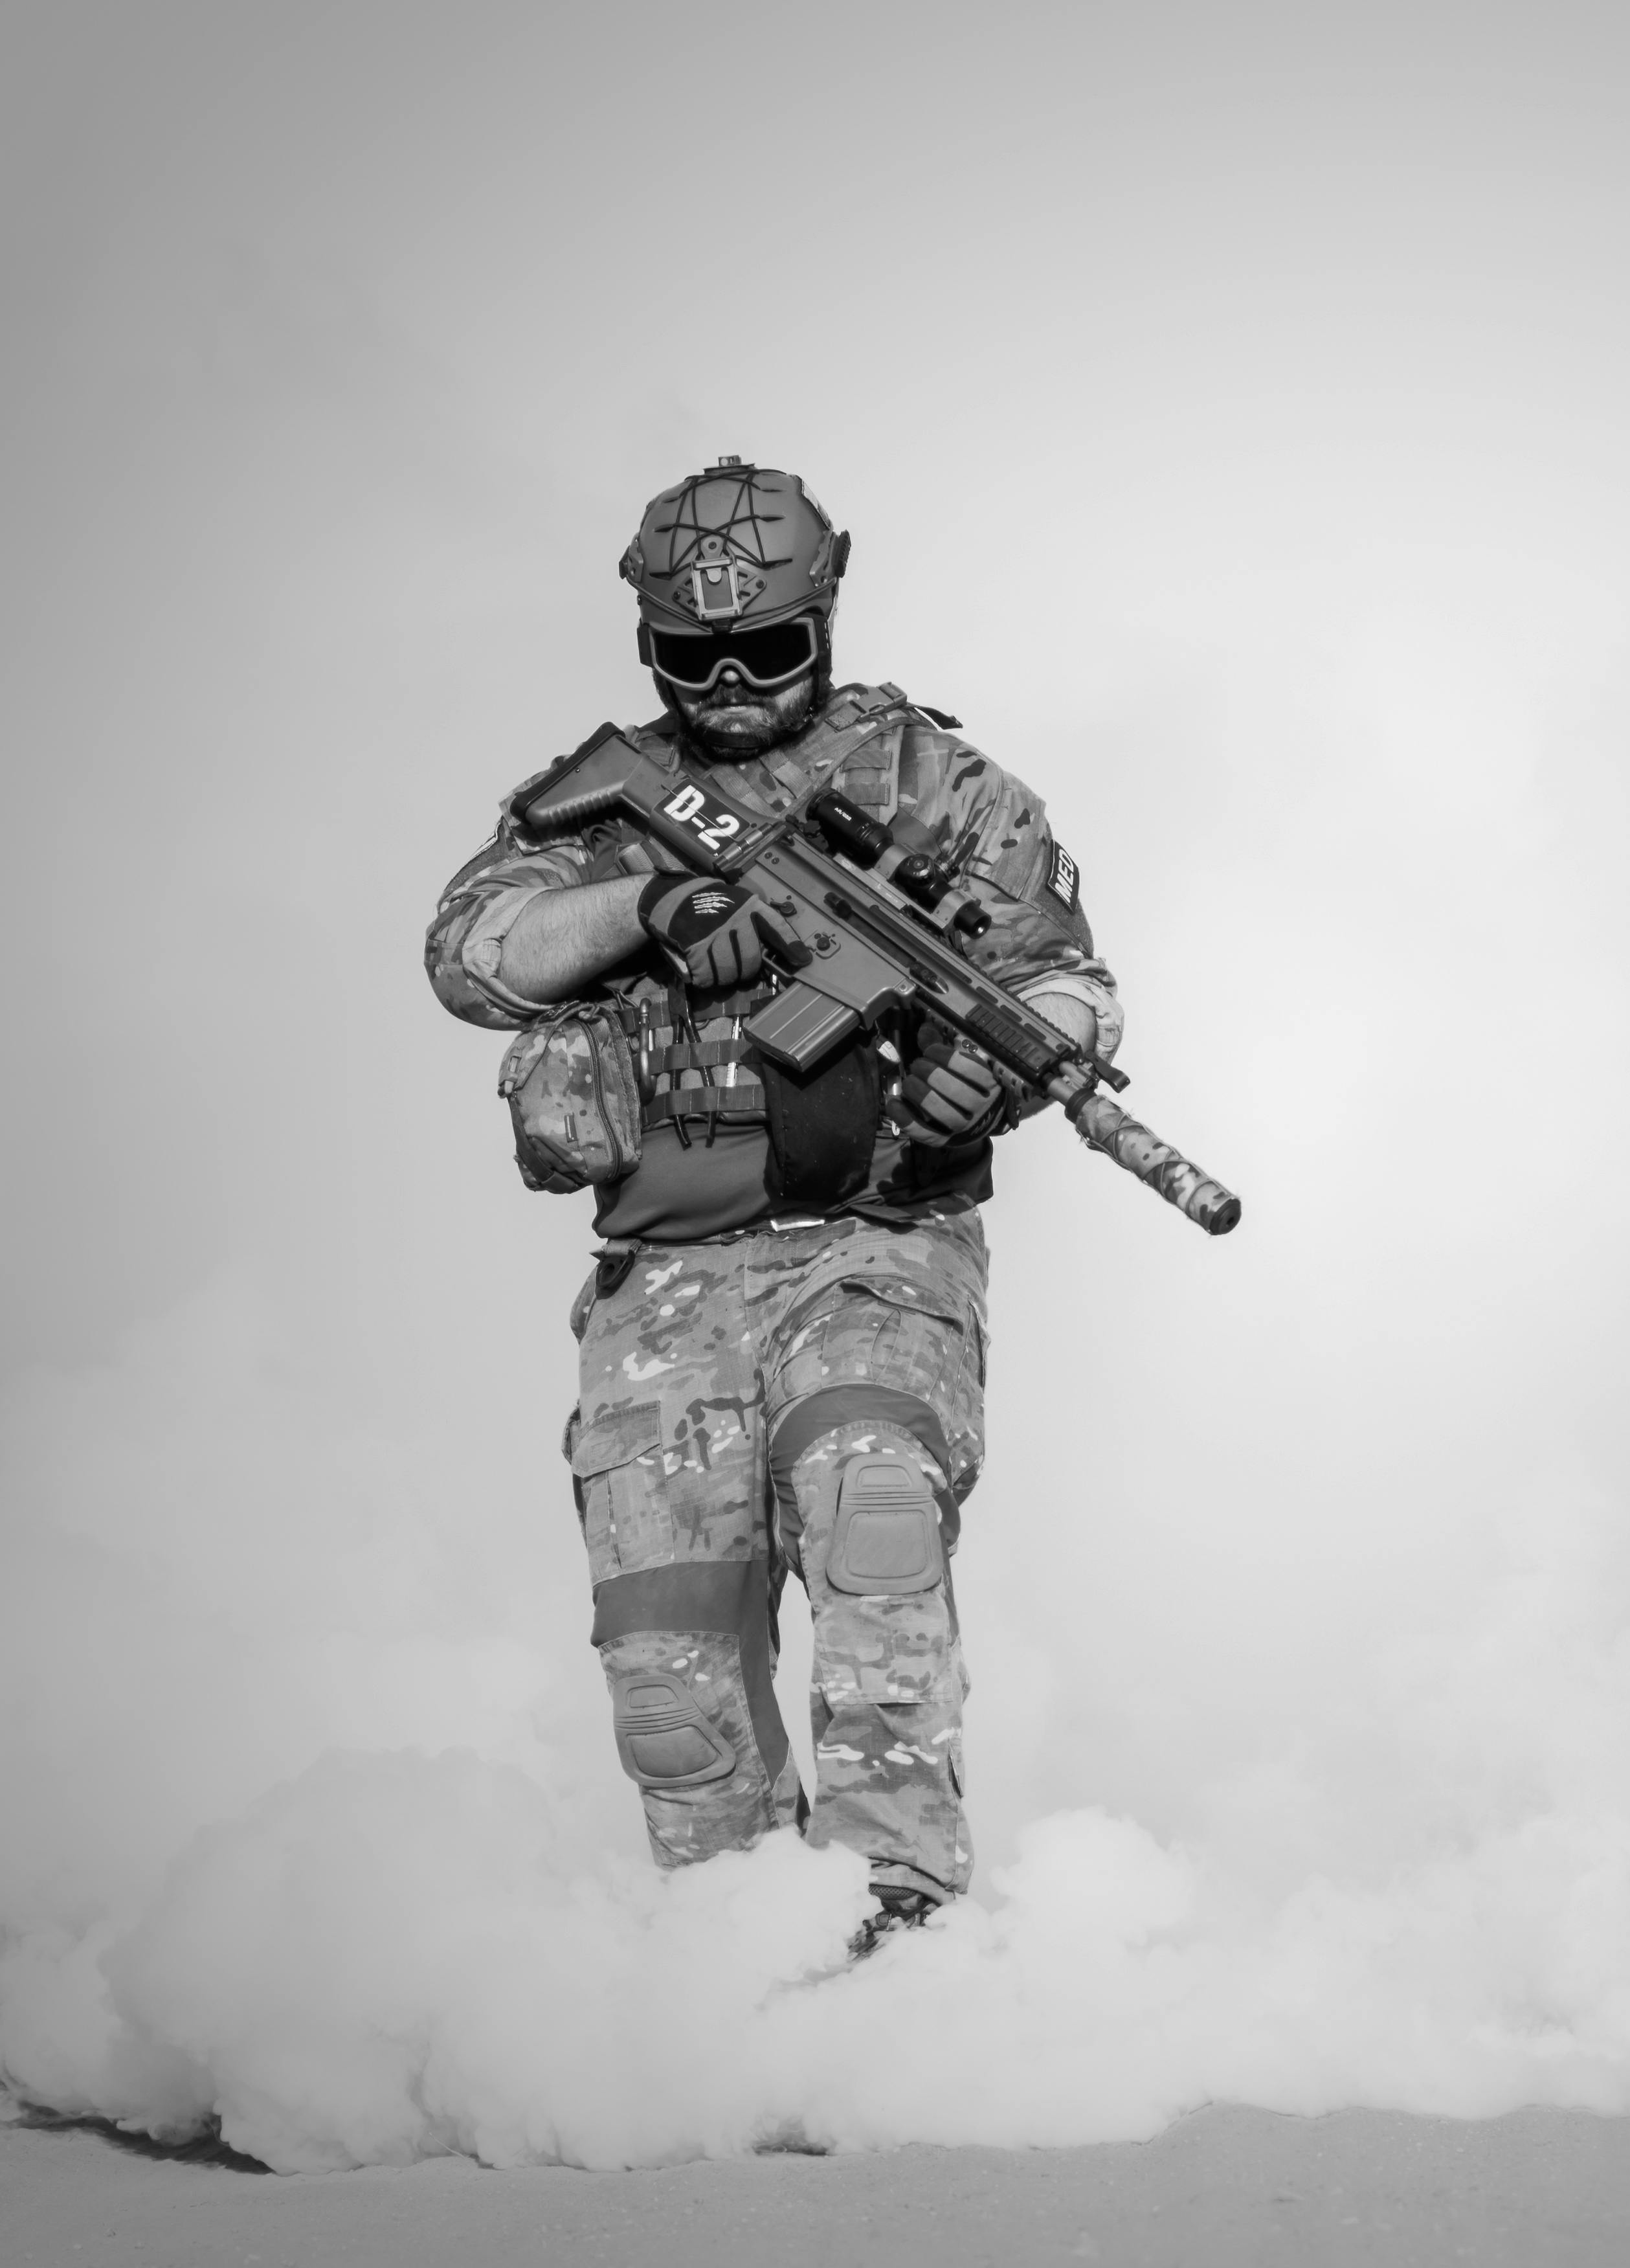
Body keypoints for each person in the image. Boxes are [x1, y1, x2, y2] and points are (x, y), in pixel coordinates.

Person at [425, 458, 1119, 1956]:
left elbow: (1067, 976)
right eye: (694, 659)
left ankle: (896, 1931)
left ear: (824, 618)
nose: (732, 683)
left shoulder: (932, 786)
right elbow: (472, 951)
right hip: (664, 1274)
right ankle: (743, 1973)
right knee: (671, 1672)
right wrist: (649, 911)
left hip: (872, 1240)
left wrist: (988, 1081)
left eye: (767, 651)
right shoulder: (604, 805)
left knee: (871, 1505)